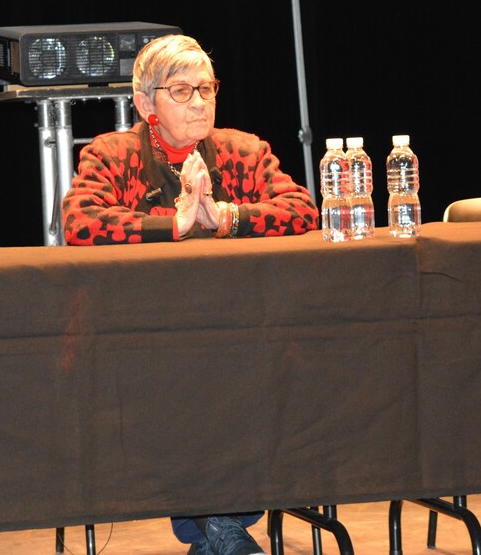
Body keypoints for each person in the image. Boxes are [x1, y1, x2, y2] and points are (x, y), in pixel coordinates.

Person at [62, 33, 318, 555]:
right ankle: (221, 527)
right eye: (181, 91)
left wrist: (228, 216)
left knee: (267, 370)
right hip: (138, 341)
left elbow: (302, 211)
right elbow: (80, 222)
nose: (199, 101)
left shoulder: (242, 151)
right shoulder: (112, 155)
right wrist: (172, 224)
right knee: (187, 384)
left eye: (206, 88)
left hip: (240, 336)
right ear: (144, 103)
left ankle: (216, 530)